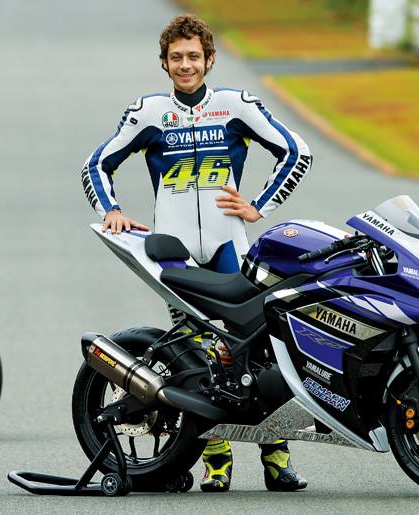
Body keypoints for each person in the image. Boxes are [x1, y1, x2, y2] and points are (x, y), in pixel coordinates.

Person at [81, 13, 312, 492]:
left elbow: (297, 151)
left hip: (230, 245)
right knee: (197, 359)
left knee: (261, 353)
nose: (185, 65)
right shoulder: (148, 113)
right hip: (175, 254)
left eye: (193, 56)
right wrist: (112, 211)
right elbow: (96, 165)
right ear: (164, 63)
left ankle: (277, 459)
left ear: (209, 60)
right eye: (176, 57)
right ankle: (216, 462)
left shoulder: (233, 106)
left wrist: (259, 205)